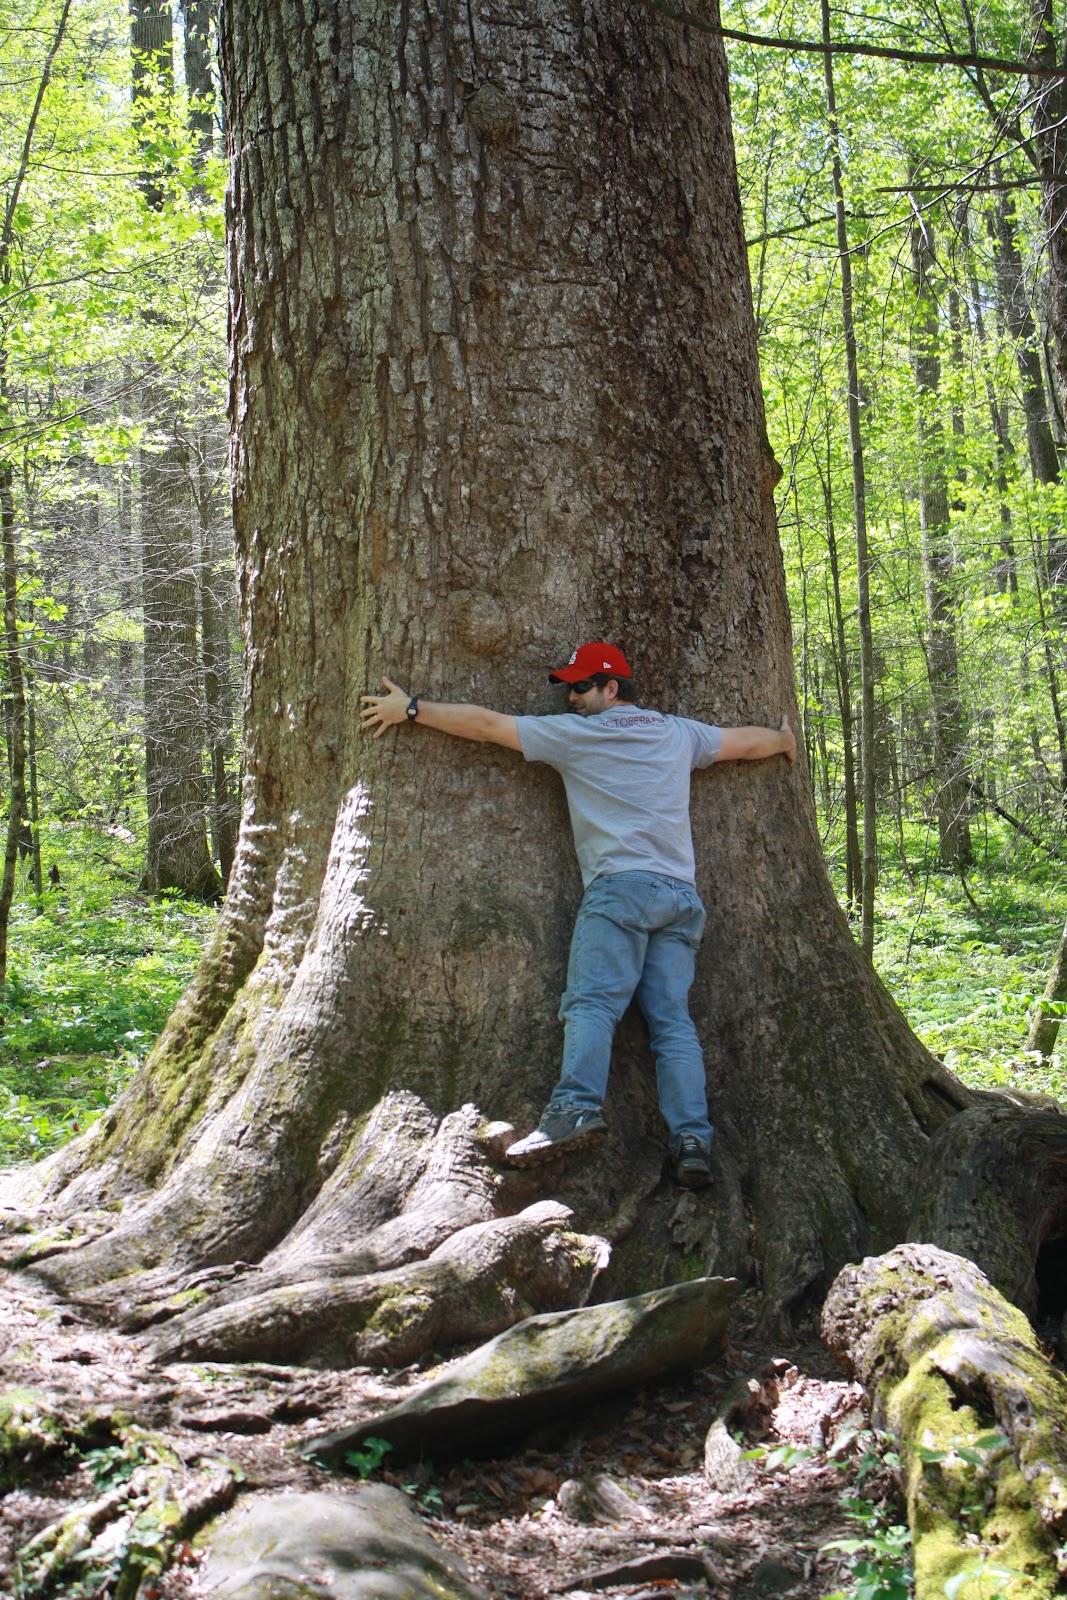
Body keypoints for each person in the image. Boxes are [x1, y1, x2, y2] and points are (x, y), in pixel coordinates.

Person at [360, 641, 796, 1190]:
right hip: (680, 898)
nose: (572, 697)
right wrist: (784, 741)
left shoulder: (579, 736)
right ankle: (691, 1138)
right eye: (569, 686)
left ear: (612, 688)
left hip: (620, 891)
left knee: (591, 1003)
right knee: (671, 1023)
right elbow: (742, 743)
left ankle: (573, 1110)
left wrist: (414, 710)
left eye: (582, 686)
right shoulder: (678, 733)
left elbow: (489, 726)